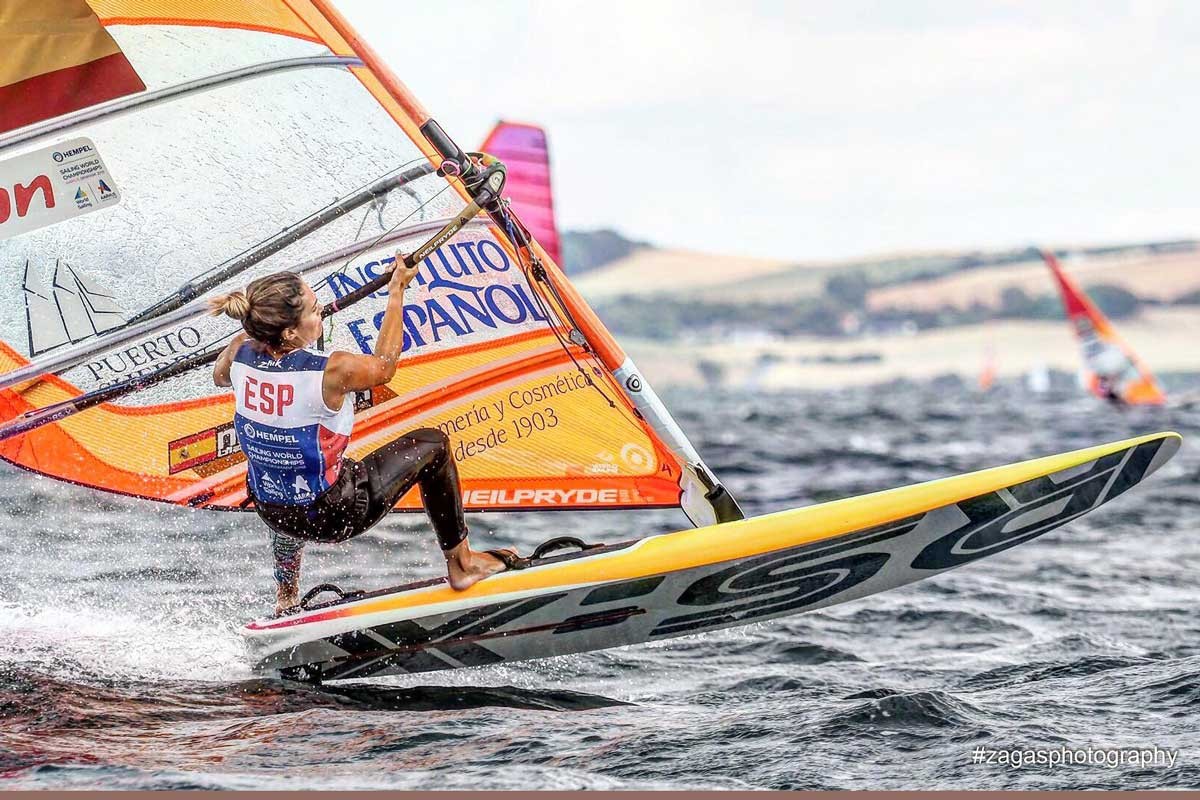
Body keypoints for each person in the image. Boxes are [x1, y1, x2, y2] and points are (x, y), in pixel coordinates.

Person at [209, 255, 520, 615]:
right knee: (434, 444)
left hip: (271, 510)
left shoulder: (239, 352)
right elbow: (385, 367)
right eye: (313, 310)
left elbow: (220, 376)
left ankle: (286, 596)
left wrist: (257, 334)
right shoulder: (334, 369)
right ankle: (463, 564)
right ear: (289, 332)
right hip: (335, 512)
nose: (321, 311)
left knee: (282, 474)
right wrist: (396, 291)